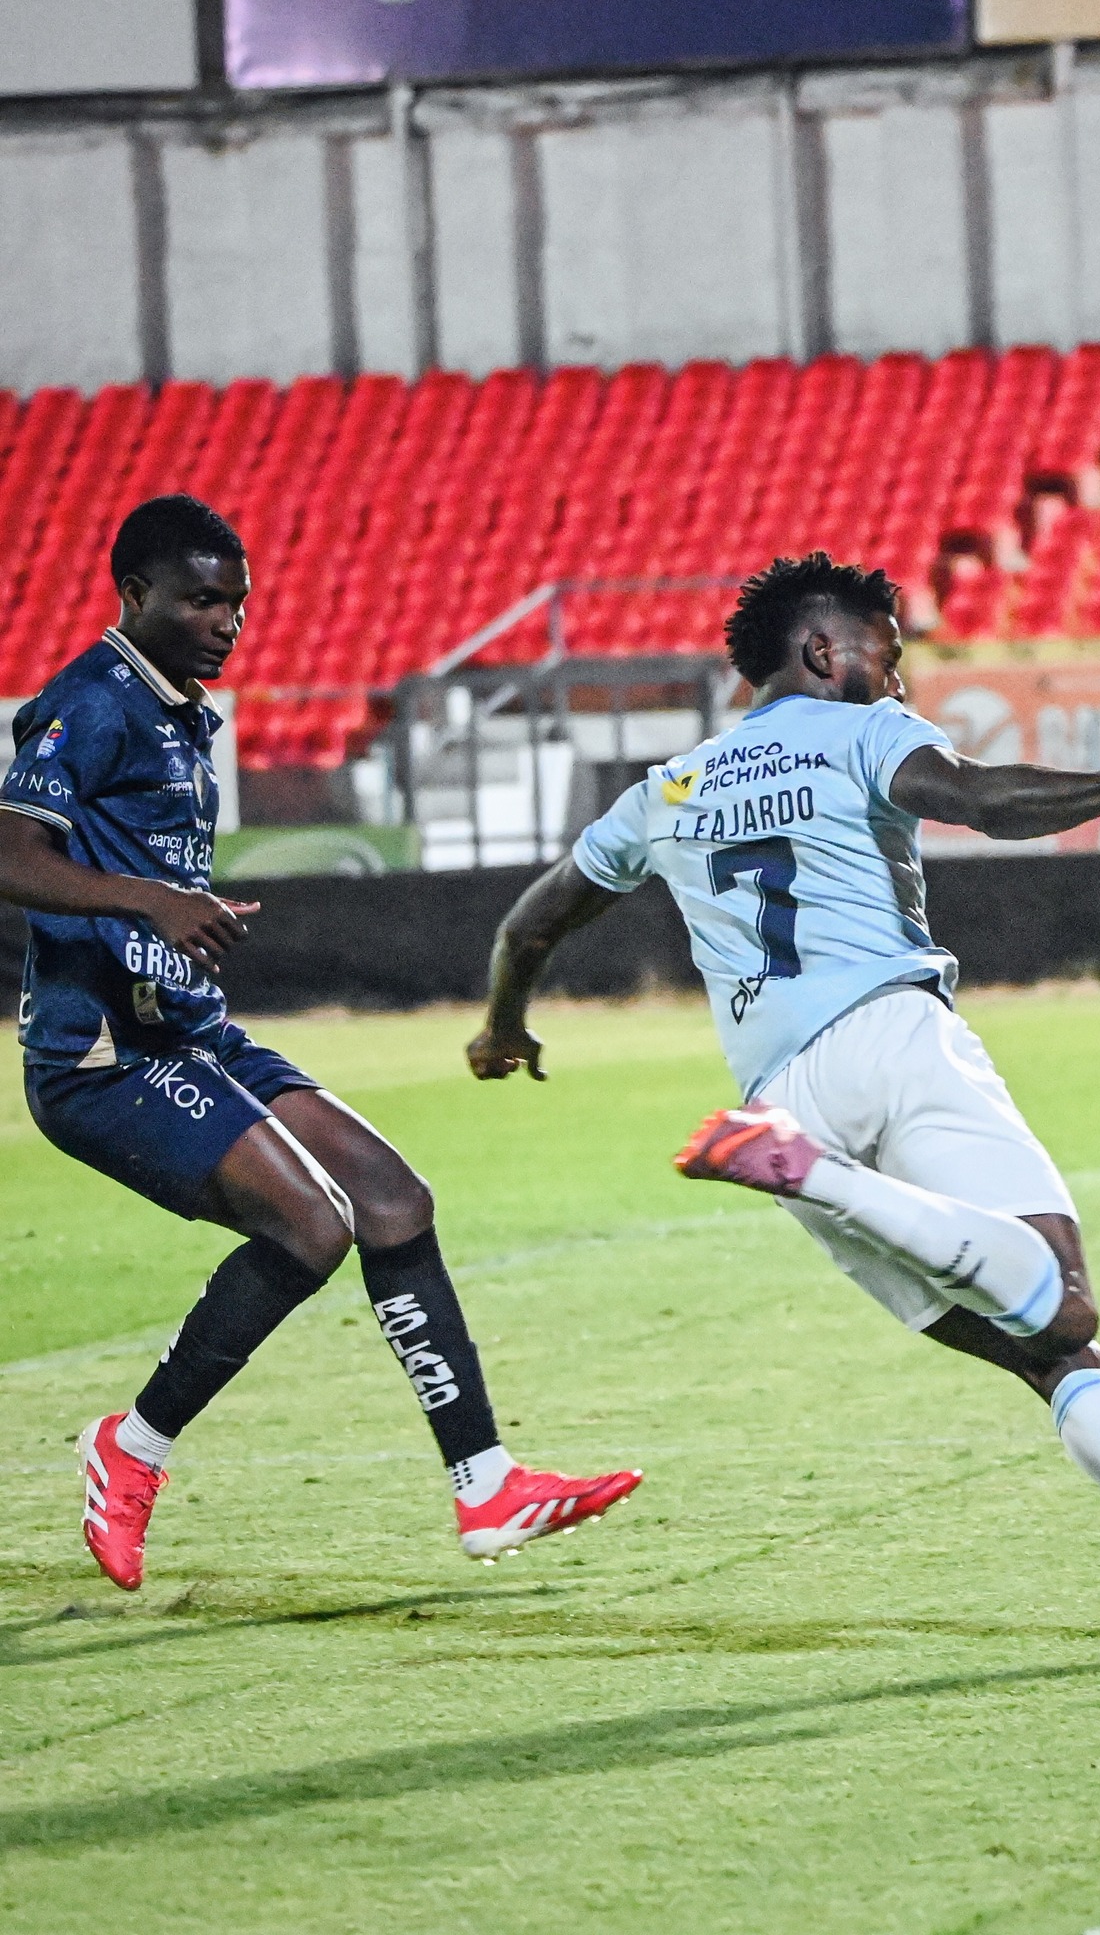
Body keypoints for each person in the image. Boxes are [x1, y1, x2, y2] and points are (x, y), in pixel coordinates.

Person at [468, 551, 1100, 1647]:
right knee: (1062, 1302)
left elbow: (526, 926)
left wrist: (503, 1024)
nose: (899, 675)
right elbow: (976, 798)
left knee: (1050, 1354)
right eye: (887, 649)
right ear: (825, 650)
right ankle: (808, 1165)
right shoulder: (864, 732)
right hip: (892, 1037)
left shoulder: (668, 788)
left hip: (781, 1090)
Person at [0, 494, 640, 1592]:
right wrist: (150, 902)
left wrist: (169, 914)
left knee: (394, 1199)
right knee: (308, 1223)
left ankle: (485, 1483)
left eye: (238, 601)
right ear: (134, 595)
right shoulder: (91, 700)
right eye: (202, 597)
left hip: (190, 1033)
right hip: (101, 1055)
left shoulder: (180, 712)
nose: (226, 619)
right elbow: (8, 851)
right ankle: (131, 1446)